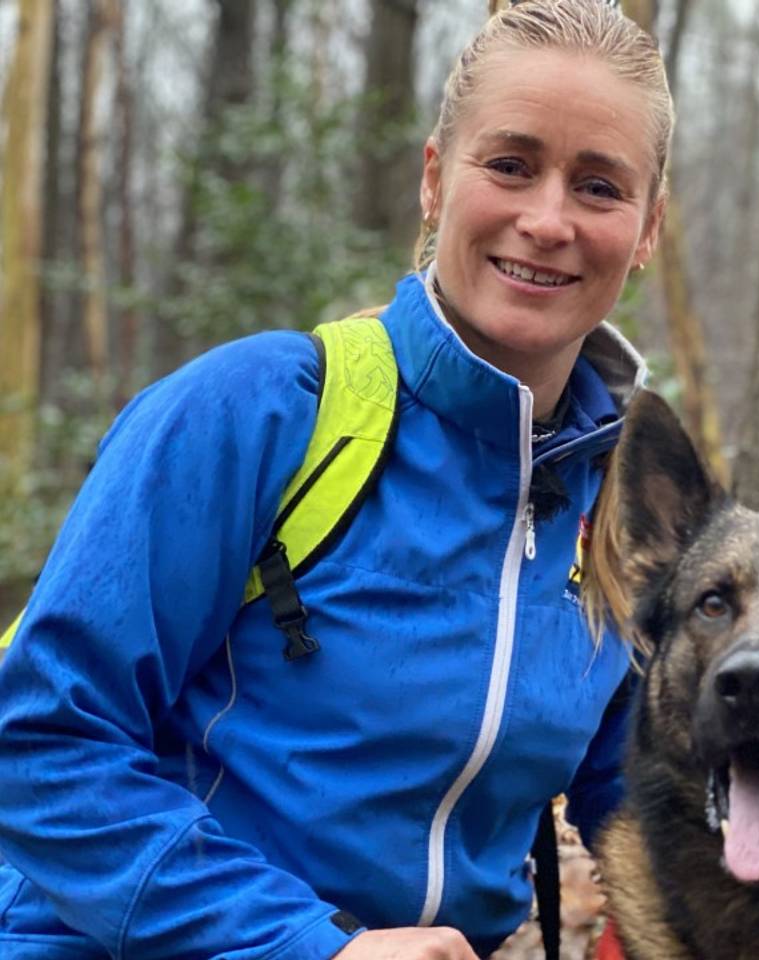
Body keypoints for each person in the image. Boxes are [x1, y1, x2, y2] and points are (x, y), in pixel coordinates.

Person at [0, 1, 671, 957]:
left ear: (647, 228)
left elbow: (642, 803)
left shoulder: (626, 500)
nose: (547, 219)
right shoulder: (261, 411)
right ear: (436, 179)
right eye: (511, 165)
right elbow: (35, 739)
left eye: (599, 186)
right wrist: (313, 946)